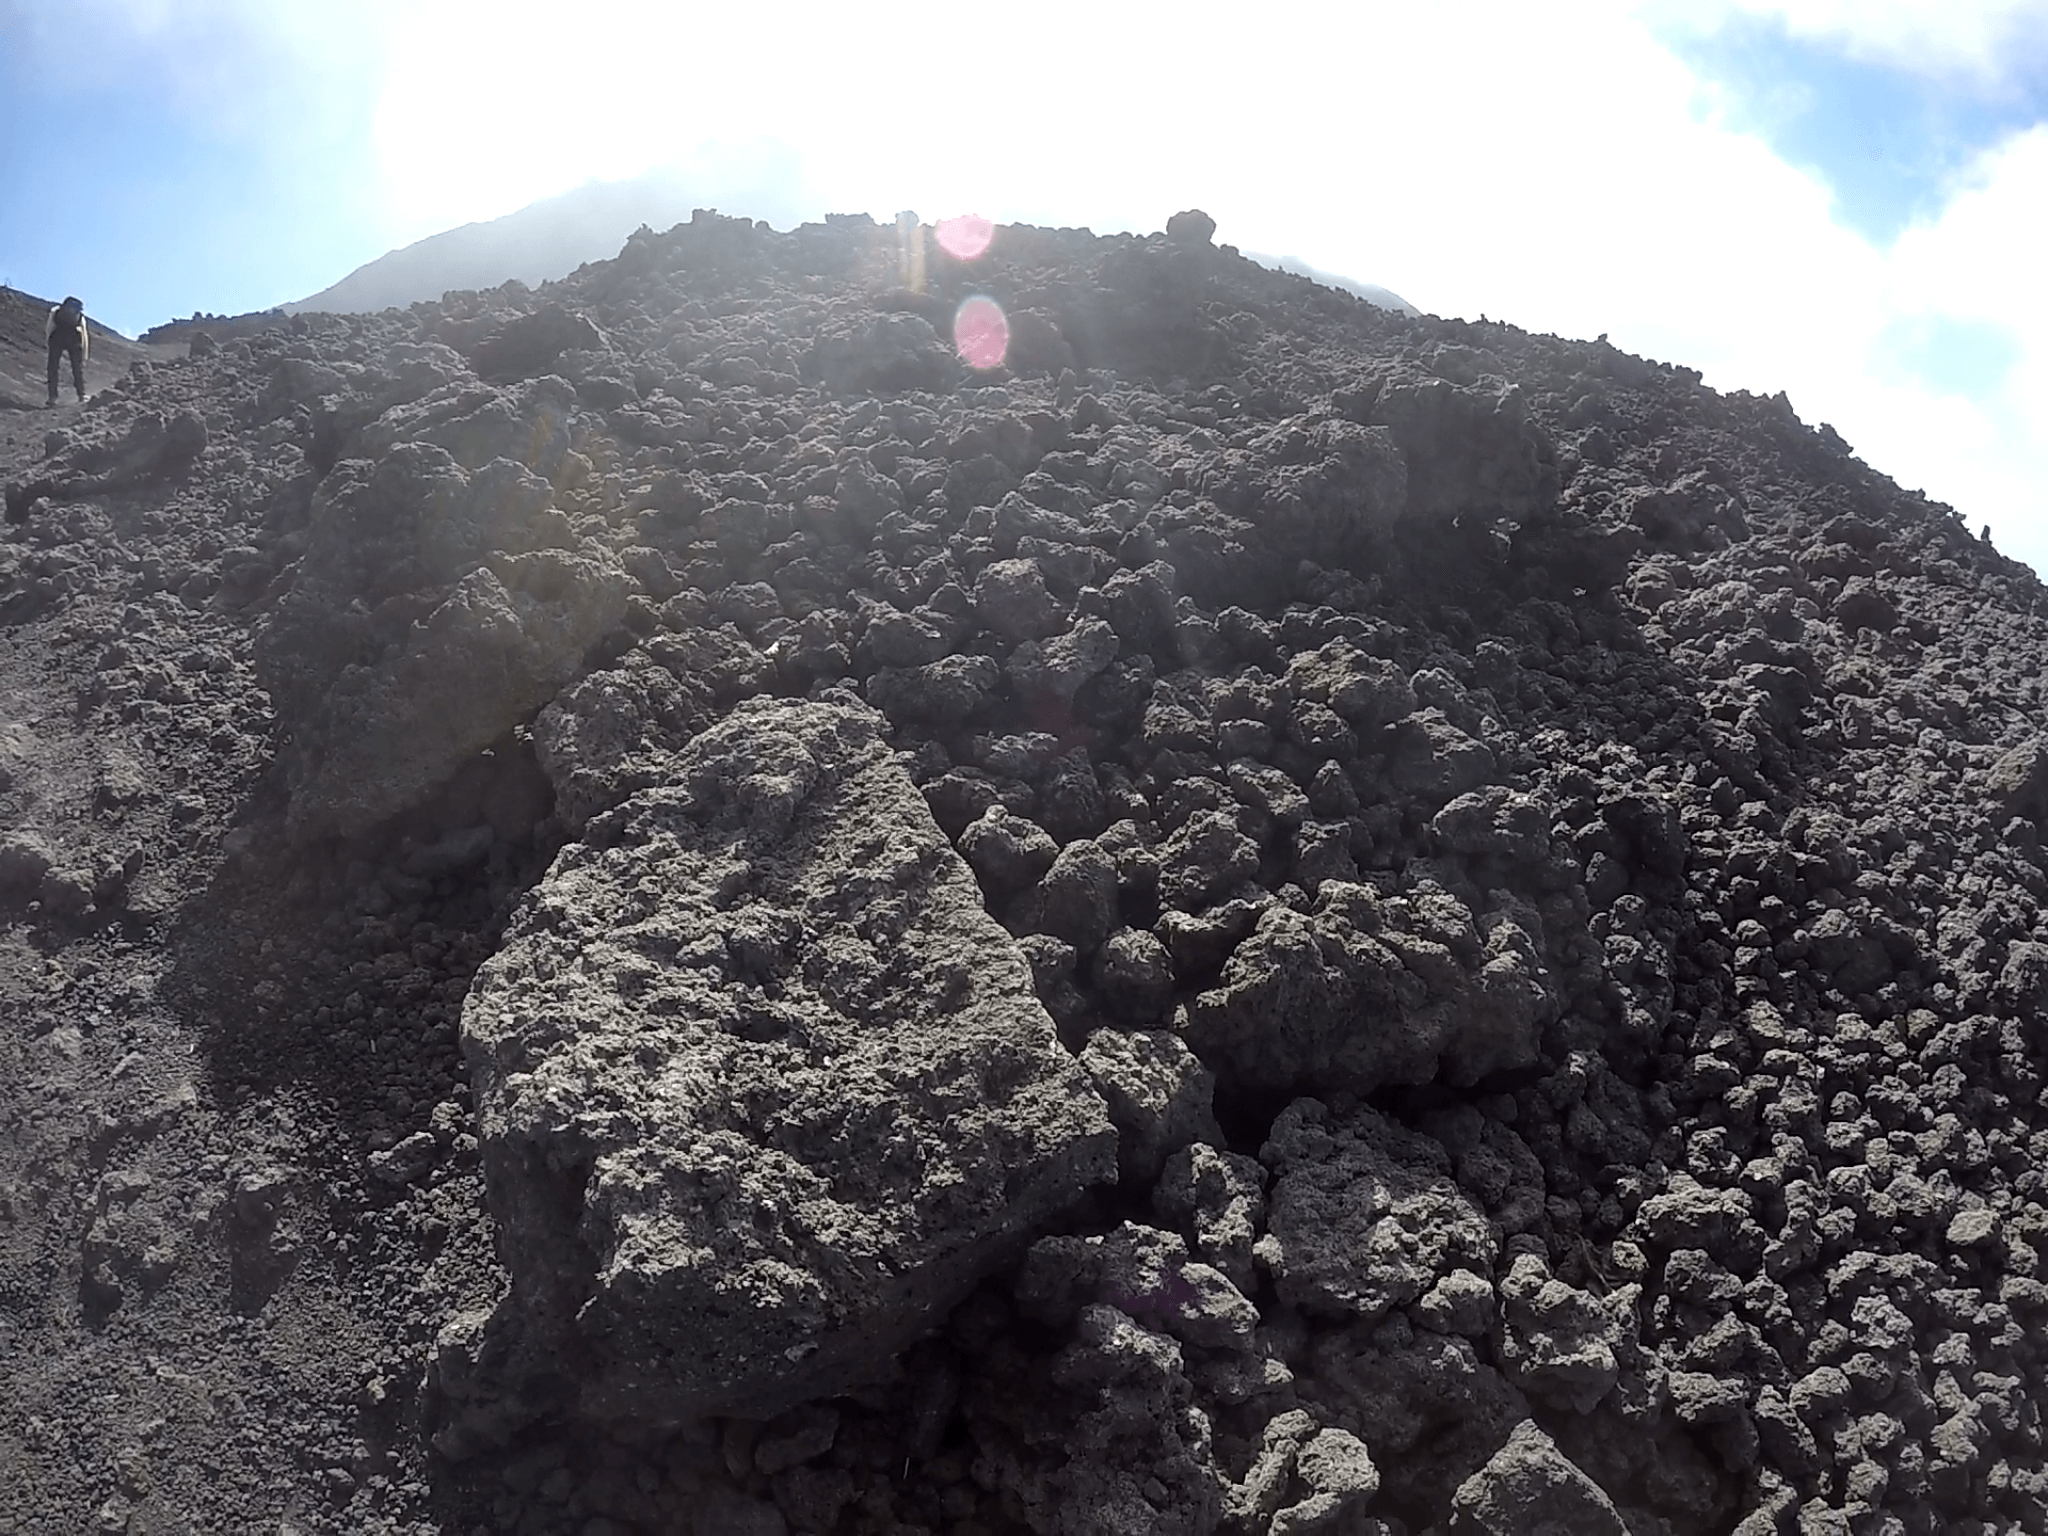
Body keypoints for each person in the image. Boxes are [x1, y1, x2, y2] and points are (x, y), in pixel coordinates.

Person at [46, 296, 88, 406]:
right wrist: (84, 356)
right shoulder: (80, 317)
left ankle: (52, 397)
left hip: (57, 337)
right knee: (76, 368)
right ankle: (81, 395)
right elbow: (84, 337)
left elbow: (49, 327)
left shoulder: (56, 311)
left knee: (53, 367)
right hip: (73, 339)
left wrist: (49, 341)